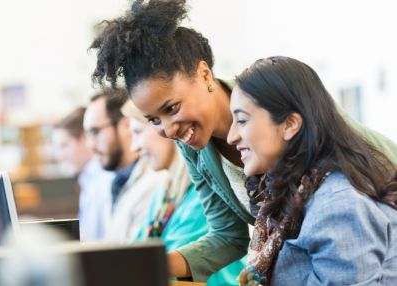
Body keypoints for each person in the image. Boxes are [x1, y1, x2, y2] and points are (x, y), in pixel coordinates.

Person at [89, 0, 397, 281]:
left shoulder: (275, 103)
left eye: (172, 108)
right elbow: (227, 236)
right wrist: (151, 268)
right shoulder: (194, 146)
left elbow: (368, 169)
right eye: (154, 120)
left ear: (205, 75)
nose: (168, 130)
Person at [227, 56, 397, 285]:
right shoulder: (296, 194)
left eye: (242, 121)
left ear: (289, 124)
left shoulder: (338, 205)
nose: (231, 136)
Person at [122, 100, 244, 285]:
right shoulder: (164, 194)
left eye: (138, 133)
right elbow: (137, 252)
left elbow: (163, 269)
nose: (134, 147)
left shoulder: (200, 196)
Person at [83, 88, 161, 243]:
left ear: (126, 126)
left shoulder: (154, 182)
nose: (90, 145)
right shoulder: (117, 182)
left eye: (95, 131)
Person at [53, 107, 114, 241]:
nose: (59, 156)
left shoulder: (105, 179)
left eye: (64, 146)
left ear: (84, 138)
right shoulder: (88, 179)